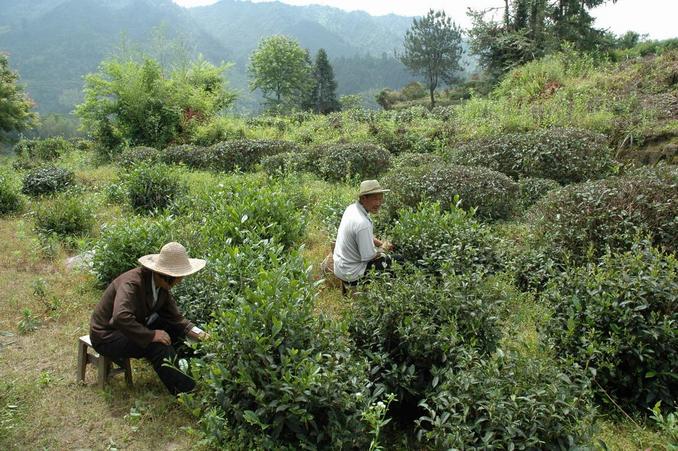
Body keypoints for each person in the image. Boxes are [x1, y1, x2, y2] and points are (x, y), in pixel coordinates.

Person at [89, 242, 207, 395]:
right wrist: (151, 335)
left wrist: (202, 335)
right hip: (107, 336)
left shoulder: (161, 287)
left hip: (130, 328)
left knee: (170, 328)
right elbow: (120, 317)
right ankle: (188, 393)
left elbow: (176, 319)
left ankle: (188, 373)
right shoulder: (132, 283)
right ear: (167, 276)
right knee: (158, 346)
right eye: (180, 276)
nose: (182, 280)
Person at [332, 179, 398, 290]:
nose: (378, 203)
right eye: (374, 199)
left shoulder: (352, 208)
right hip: (352, 274)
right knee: (397, 260)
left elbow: (363, 236)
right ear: (364, 198)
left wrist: (380, 243)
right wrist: (384, 248)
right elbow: (369, 257)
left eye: (380, 198)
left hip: (340, 267)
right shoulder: (362, 223)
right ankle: (389, 293)